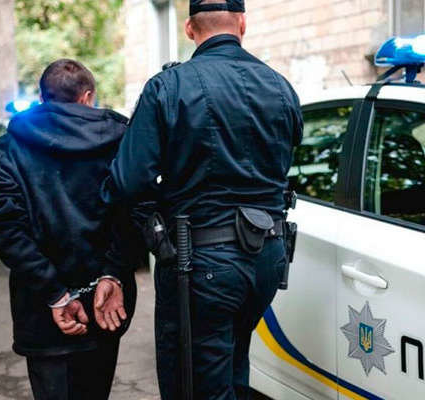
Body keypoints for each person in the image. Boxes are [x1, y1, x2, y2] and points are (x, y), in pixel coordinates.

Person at [101, 0, 303, 398]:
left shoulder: (169, 86)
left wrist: (154, 216)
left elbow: (127, 182)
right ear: (242, 24)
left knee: (193, 383)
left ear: (190, 29)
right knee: (233, 366)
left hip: (202, 262)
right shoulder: (281, 87)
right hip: (268, 256)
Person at [0, 59, 141, 400]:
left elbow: (3, 229)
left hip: (41, 308)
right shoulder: (123, 143)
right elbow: (137, 211)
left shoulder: (3, 152)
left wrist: (55, 293)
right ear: (87, 97)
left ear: (42, 98)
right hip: (105, 305)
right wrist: (113, 273)